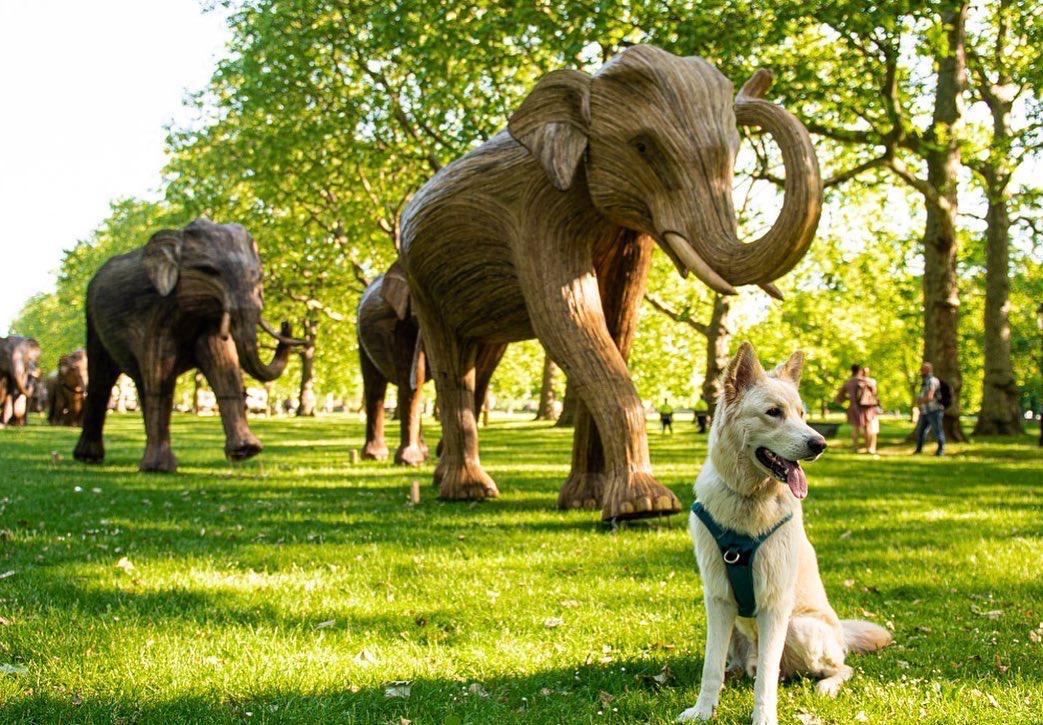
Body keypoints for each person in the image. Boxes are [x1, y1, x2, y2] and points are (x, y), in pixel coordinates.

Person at [913, 361, 945, 456]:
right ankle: (918, 449)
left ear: (927, 370)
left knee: (937, 430)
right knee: (921, 431)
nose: (921, 371)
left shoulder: (932, 380)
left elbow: (930, 396)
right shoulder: (925, 381)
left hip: (934, 410)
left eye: (922, 369)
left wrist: (920, 401)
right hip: (925, 411)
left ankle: (940, 450)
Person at [835, 364, 868, 452]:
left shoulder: (849, 382)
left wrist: (849, 398)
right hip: (865, 407)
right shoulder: (866, 381)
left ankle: (855, 447)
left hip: (853, 407)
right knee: (867, 427)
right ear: (860, 370)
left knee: (855, 428)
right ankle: (869, 447)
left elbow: (839, 397)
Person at [860, 366, 880, 455]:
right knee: (866, 428)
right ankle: (868, 447)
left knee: (873, 428)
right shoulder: (859, 382)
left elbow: (875, 393)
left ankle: (872, 447)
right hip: (863, 408)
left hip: (871, 407)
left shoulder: (872, 381)